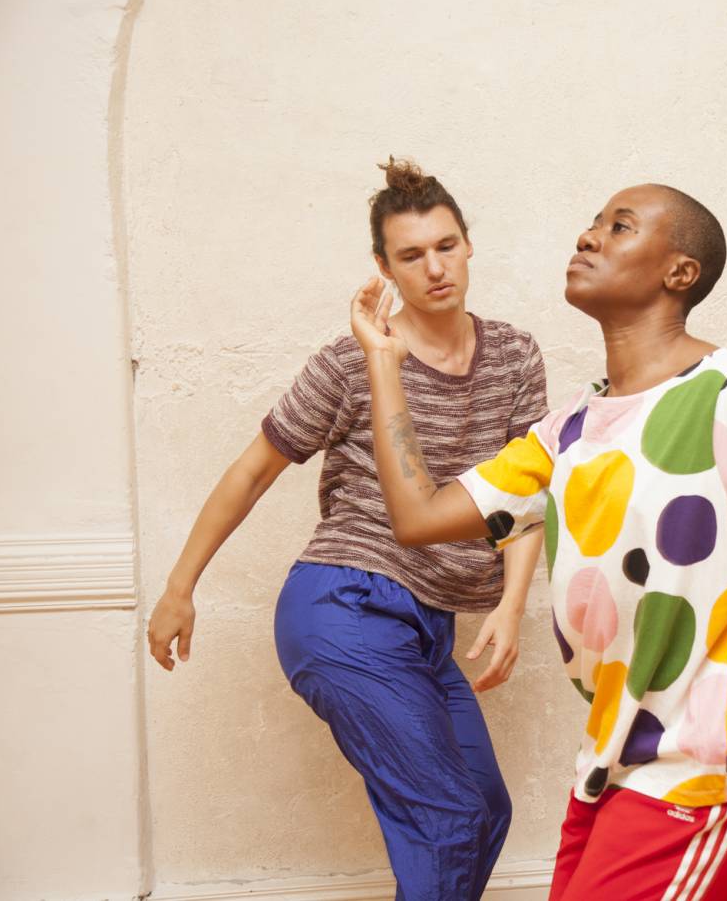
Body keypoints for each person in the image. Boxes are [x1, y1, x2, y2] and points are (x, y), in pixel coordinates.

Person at [351, 183, 727, 901]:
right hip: (615, 757)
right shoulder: (569, 428)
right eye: (593, 222)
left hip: (711, 759)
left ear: (679, 273)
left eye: (620, 226)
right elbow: (418, 517)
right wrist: (383, 360)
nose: (589, 236)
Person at [146, 159, 547, 901]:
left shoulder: (515, 356)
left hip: (427, 629)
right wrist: (179, 587)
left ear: (467, 245)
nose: (435, 267)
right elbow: (252, 471)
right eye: (411, 255)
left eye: (446, 246)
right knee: (448, 818)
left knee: (483, 811)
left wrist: (511, 603)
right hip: (344, 608)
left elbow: (525, 495)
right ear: (383, 266)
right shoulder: (352, 361)